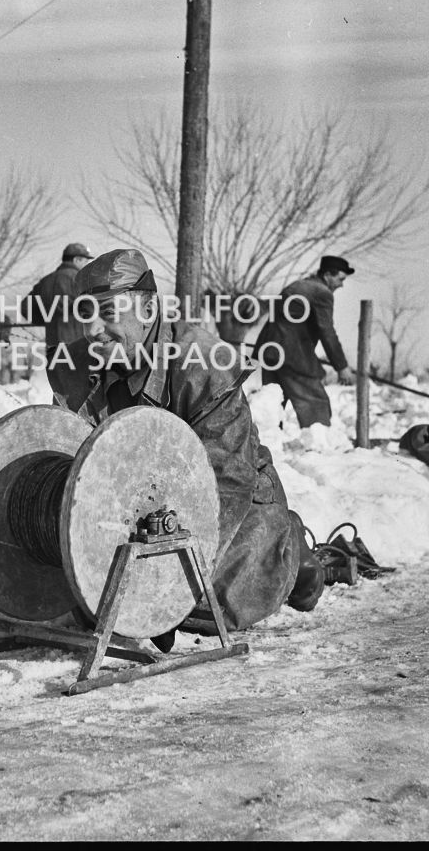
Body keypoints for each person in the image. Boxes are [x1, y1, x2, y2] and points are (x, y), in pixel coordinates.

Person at [70, 247, 326, 638]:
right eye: (85, 314)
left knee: (211, 605)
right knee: (89, 595)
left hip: (227, 498)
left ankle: (290, 547)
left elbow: (227, 479)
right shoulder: (84, 361)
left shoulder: (204, 363)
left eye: (107, 312)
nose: (91, 331)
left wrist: (163, 578)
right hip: (141, 503)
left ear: (148, 310)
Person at [252, 255, 356, 429]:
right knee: (315, 403)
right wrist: (341, 366)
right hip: (292, 355)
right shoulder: (322, 293)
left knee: (272, 403)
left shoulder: (297, 286)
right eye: (340, 279)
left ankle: (266, 441)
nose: (341, 285)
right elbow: (327, 332)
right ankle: (318, 442)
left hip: (270, 352)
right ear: (328, 275)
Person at [18, 242, 95, 394]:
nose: (86, 265)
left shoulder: (46, 281)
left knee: (60, 392)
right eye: (85, 261)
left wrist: (47, 320)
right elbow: (95, 308)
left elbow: (25, 308)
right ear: (77, 259)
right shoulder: (80, 280)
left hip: (53, 347)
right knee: (85, 391)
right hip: (80, 345)